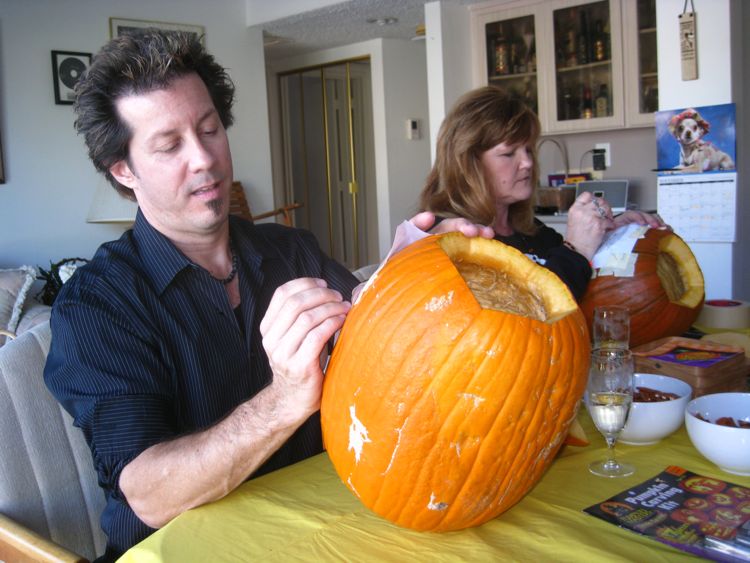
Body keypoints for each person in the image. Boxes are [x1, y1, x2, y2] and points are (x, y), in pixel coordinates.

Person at [43, 31, 490, 560]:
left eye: (210, 130)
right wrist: (283, 399)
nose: (205, 159)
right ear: (123, 170)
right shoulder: (97, 306)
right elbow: (148, 493)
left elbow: (379, 334)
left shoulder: (291, 251)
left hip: (323, 531)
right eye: (169, 146)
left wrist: (415, 264)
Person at [419, 86, 665, 301]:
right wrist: (576, 247)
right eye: (509, 153)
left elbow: (576, 280)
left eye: (528, 149)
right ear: (468, 163)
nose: (527, 162)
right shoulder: (452, 235)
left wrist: (610, 235)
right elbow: (526, 314)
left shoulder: (533, 232)